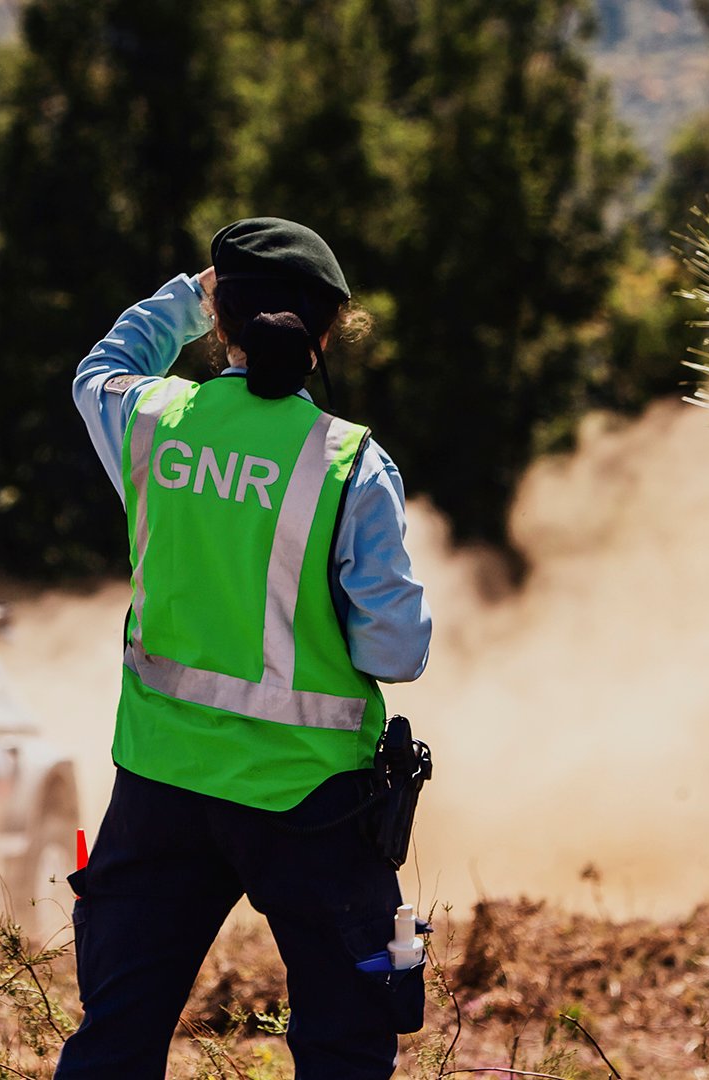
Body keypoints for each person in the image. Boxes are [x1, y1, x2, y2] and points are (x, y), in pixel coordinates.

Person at [59, 217, 432, 1079]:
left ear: (220, 313)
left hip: (159, 785)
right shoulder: (351, 464)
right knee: (345, 1049)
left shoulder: (152, 422)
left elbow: (98, 371)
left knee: (116, 1041)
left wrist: (188, 298)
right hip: (312, 802)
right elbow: (396, 651)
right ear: (328, 331)